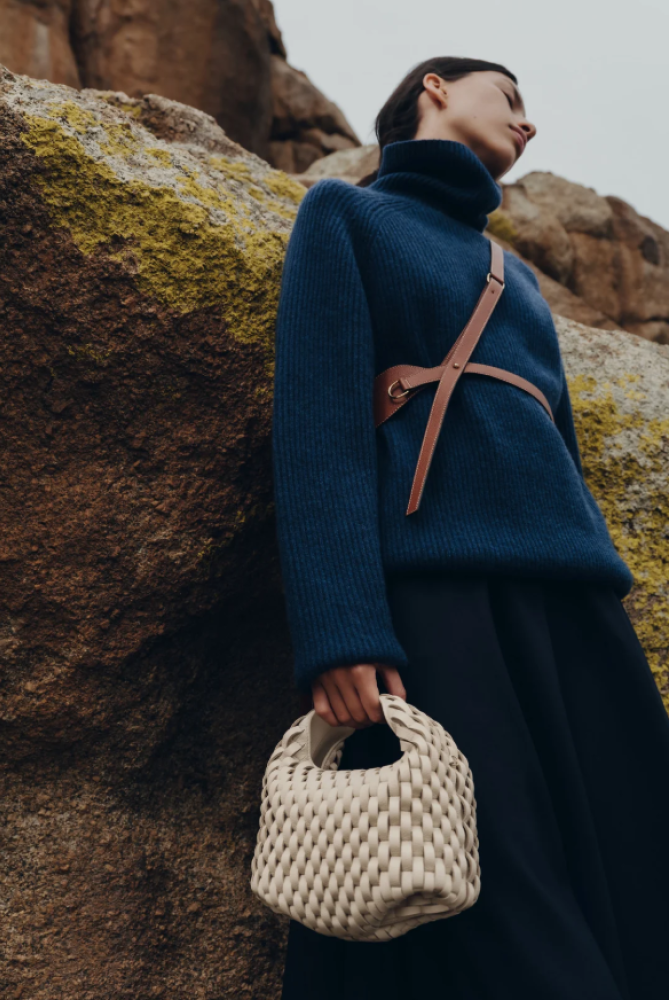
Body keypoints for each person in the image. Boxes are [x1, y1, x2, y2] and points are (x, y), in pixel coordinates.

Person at [271, 55, 669, 1000]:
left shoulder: (516, 278)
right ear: (436, 87)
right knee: (498, 874)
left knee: (639, 860)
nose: (528, 123)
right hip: (440, 596)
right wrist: (340, 629)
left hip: (577, 607)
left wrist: (601, 586)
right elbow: (317, 424)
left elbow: (563, 455)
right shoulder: (346, 215)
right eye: (511, 97)